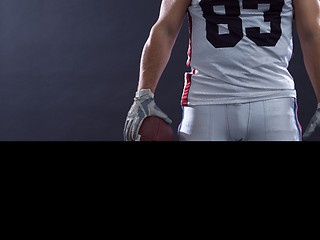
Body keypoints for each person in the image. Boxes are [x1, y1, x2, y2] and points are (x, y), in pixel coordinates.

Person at [124, 0, 320, 141]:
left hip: (210, 104)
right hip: (266, 103)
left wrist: (144, 94)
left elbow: (165, 29)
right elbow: (313, 34)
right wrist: (143, 94)